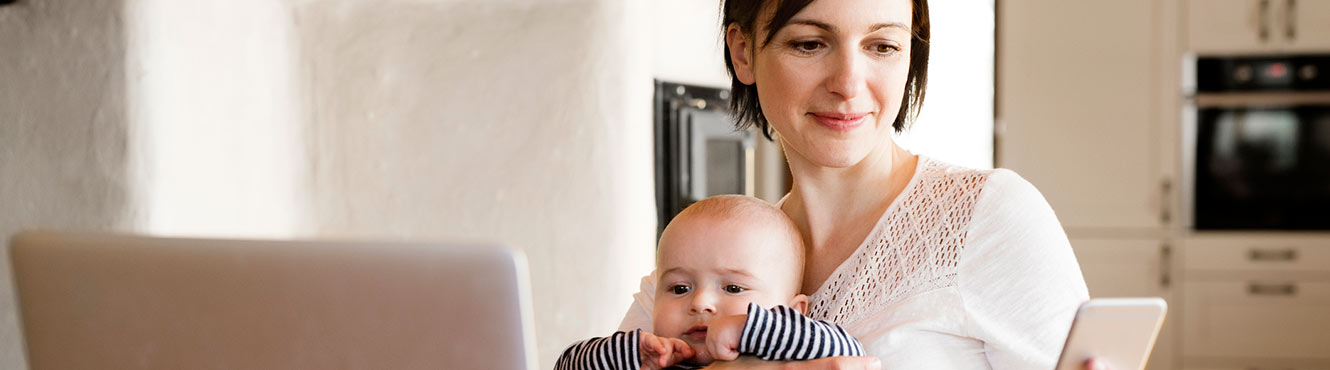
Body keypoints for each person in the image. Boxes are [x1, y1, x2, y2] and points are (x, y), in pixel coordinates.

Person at [616, 0, 1091, 369]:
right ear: (743, 53)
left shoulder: (989, 217)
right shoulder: (701, 260)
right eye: (809, 44)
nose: (848, 83)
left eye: (882, 46)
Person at [556, 195, 866, 370]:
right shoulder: (661, 362)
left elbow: (846, 353)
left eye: (732, 288)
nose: (700, 302)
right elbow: (565, 366)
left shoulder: (787, 354)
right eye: (679, 289)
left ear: (794, 311)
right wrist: (632, 352)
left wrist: (748, 328)